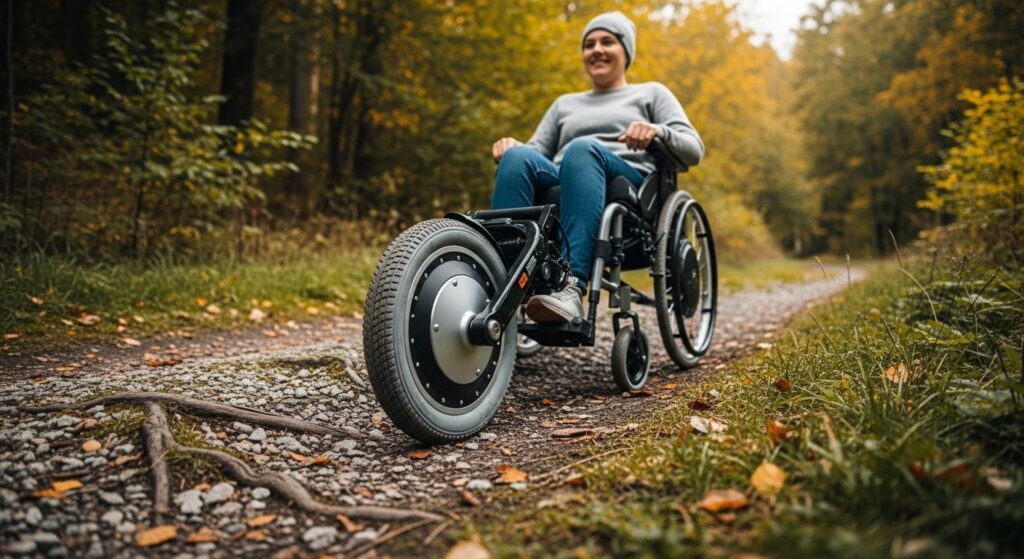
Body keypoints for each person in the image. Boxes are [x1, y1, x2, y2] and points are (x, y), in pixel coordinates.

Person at [490, 11, 704, 324]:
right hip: (566, 181)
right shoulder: (565, 104)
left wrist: (657, 132)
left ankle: (572, 286)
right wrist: (511, 147)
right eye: (589, 44)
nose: (596, 49)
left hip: (626, 185)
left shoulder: (651, 93)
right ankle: (501, 283)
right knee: (516, 157)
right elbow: (534, 153)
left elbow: (694, 149)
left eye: (608, 41)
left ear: (625, 52)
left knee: (581, 148)